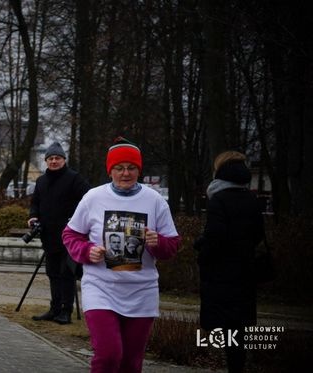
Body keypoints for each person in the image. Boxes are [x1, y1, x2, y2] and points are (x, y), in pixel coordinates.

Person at [62, 137, 180, 372]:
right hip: (101, 288)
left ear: (139, 169)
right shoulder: (94, 197)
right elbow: (70, 235)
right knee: (108, 355)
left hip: (141, 291)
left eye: (131, 168)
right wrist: (87, 251)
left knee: (130, 363)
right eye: (119, 168)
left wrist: (158, 243)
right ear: (110, 170)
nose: (125, 173)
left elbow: (172, 245)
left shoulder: (155, 201)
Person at [194, 151, 264, 373]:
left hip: (221, 273)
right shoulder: (251, 199)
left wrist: (201, 250)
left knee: (224, 326)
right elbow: (258, 234)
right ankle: (238, 366)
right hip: (245, 272)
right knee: (240, 326)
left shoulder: (219, 199)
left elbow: (215, 235)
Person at [28, 142, 90, 325]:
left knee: (67, 273)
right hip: (48, 235)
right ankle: (54, 309)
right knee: (52, 273)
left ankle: (66, 311)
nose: (54, 161)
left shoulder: (74, 179)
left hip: (70, 236)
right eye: (50, 158)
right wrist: (33, 216)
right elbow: (35, 203)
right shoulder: (41, 181)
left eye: (57, 158)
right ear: (46, 161)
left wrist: (77, 220)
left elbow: (88, 200)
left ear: (64, 160)